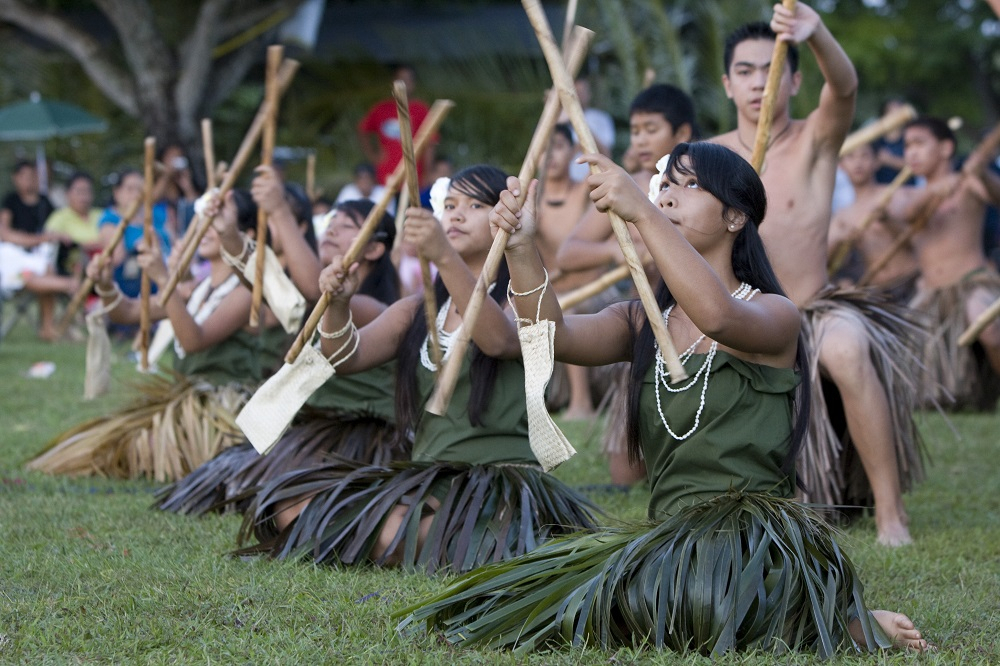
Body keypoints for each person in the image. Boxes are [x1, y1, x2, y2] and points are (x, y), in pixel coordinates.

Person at [396, 143, 928, 655]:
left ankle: (831, 621)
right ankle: (795, 618)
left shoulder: (776, 314)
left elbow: (719, 316)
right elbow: (545, 337)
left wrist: (643, 213)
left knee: (682, 607)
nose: (668, 196)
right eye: (665, 185)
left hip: (751, 542)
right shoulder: (641, 320)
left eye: (689, 185)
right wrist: (521, 249)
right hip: (668, 540)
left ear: (735, 217)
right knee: (564, 602)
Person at [237, 165, 598, 572]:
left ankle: (423, 541)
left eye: (475, 205)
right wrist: (338, 305)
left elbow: (496, 341)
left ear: (503, 217)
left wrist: (443, 254)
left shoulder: (522, 303)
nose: (457, 214)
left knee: (407, 532)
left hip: (494, 484)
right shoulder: (419, 308)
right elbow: (345, 357)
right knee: (290, 505)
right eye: (450, 205)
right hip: (428, 478)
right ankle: (415, 539)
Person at [709, 7, 924, 546]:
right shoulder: (707, 158)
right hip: (739, 314)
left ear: (797, 81)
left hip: (813, 309)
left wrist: (817, 33)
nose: (761, 81)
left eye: (773, 69)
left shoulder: (816, 140)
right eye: (747, 71)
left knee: (847, 348)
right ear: (727, 83)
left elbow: (845, 88)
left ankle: (890, 515)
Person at [155, 199, 407, 516]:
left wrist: (280, 209)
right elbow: (272, 291)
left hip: (359, 434)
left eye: (347, 226)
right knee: (225, 480)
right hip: (313, 427)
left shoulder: (372, 308)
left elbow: (308, 295)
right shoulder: (315, 296)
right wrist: (229, 233)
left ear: (373, 250)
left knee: (283, 494)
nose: (332, 228)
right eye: (331, 220)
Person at [28, 189, 264, 481]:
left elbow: (193, 342)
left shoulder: (247, 294)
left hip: (221, 412)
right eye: (203, 220)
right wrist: (104, 285)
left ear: (247, 231)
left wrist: (164, 278)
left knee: (135, 448)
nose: (204, 229)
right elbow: (127, 313)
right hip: (185, 403)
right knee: (108, 441)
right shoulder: (198, 288)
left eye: (216, 221)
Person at [557, 83, 698, 483]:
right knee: (624, 477)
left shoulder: (705, 181)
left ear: (681, 133)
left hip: (699, 317)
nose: (639, 139)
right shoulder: (626, 184)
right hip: (644, 321)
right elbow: (571, 253)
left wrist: (659, 240)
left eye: (650, 129)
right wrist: (617, 253)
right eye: (634, 130)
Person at [899, 117, 1000, 411]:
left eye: (919, 143)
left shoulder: (969, 184)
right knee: (920, 377)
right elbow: (906, 213)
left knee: (989, 328)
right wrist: (935, 190)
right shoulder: (909, 194)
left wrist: (981, 173)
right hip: (930, 294)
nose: (911, 153)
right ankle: (965, 395)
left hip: (973, 282)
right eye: (906, 146)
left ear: (945, 148)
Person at [536, 123, 601, 419]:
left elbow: (600, 156)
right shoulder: (530, 201)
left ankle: (582, 403)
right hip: (549, 294)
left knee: (571, 310)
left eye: (559, 146)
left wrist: (571, 114)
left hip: (594, 290)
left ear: (573, 151)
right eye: (544, 149)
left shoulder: (586, 190)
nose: (551, 156)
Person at [828, 143, 919, 299]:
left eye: (864, 156)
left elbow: (918, 240)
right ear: (841, 165)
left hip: (911, 282)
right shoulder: (843, 216)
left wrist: (889, 221)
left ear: (877, 161)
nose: (858, 163)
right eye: (851, 157)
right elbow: (825, 262)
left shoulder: (894, 195)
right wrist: (839, 240)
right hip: (879, 292)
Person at [0, 160, 76, 341]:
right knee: (35, 273)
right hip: (12, 260)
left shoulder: (44, 202)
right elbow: (5, 233)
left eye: (33, 176)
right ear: (15, 178)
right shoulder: (10, 201)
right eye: (24, 176)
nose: (29, 181)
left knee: (46, 267)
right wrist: (38, 240)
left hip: (38, 259)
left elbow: (54, 229)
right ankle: (68, 285)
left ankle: (48, 327)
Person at [98, 169, 172, 299]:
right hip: (135, 285)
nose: (136, 194)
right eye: (130, 189)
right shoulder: (110, 220)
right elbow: (116, 259)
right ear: (117, 193)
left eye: (140, 189)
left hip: (168, 272)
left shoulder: (155, 214)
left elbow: (173, 240)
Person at [357, 64, 434, 186]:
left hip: (412, 176)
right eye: (400, 80)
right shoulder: (382, 108)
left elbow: (430, 143)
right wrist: (373, 156)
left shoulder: (420, 109)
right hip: (385, 176)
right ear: (393, 82)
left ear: (413, 83)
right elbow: (363, 130)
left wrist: (427, 172)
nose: (403, 84)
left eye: (407, 80)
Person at [565, 74, 616, 182]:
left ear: (589, 93)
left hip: (595, 180)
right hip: (566, 185)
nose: (579, 96)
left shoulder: (601, 118)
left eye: (582, 92)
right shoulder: (559, 120)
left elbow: (606, 153)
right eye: (576, 92)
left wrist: (582, 129)